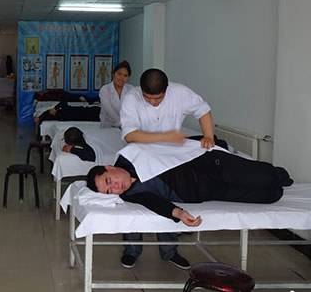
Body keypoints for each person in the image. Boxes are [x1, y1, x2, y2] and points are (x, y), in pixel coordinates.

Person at [116, 68, 215, 270]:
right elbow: (130, 135)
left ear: (167, 90)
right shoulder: (131, 98)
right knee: (135, 200)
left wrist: (208, 136)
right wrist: (166, 137)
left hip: (169, 159)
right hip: (140, 156)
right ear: (141, 90)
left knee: (166, 200)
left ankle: (170, 251)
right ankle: (131, 250)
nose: (153, 102)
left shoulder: (180, 92)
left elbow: (203, 110)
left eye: (158, 98)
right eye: (148, 98)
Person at [86, 149, 293, 225]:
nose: (115, 187)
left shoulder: (132, 156)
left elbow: (167, 145)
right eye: (109, 191)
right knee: (271, 196)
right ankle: (275, 183)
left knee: (268, 177)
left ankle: (278, 174)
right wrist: (178, 213)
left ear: (109, 167)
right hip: (205, 192)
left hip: (208, 166)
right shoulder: (130, 194)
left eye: (109, 181)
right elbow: (153, 202)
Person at [99, 61, 133, 128]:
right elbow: (110, 111)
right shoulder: (105, 89)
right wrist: (123, 124)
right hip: (108, 127)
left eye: (125, 76)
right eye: (119, 74)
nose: (121, 78)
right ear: (113, 74)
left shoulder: (131, 89)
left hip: (126, 128)